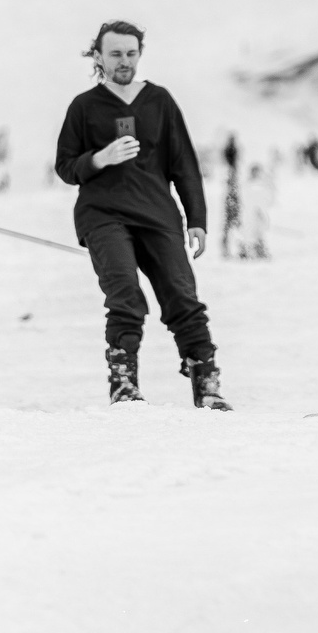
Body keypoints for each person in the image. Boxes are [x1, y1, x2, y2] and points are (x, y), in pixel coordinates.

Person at [53, 20, 226, 409]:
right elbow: (65, 166)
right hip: (102, 214)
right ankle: (124, 385)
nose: (124, 61)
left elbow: (184, 164)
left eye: (131, 53)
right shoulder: (84, 106)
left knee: (182, 295)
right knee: (125, 294)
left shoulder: (159, 100)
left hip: (157, 214)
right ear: (99, 57)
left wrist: (197, 219)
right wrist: (99, 158)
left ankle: (207, 387)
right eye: (115, 54)